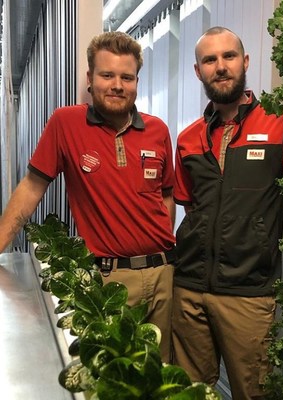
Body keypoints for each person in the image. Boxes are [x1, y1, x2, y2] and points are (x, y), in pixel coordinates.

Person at [0, 31, 176, 362]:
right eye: (107, 75)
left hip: (163, 275)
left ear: (137, 80)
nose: (117, 85)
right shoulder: (66, 123)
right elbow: (31, 188)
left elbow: (167, 196)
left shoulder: (158, 130)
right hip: (110, 280)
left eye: (127, 77)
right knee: (112, 373)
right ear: (90, 78)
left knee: (158, 372)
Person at [172, 26, 283, 399]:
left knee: (252, 391)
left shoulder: (279, 125)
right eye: (209, 60)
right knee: (189, 392)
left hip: (249, 292)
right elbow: (189, 205)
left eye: (228, 57)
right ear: (198, 71)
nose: (220, 66)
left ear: (244, 62)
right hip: (189, 287)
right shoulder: (188, 137)